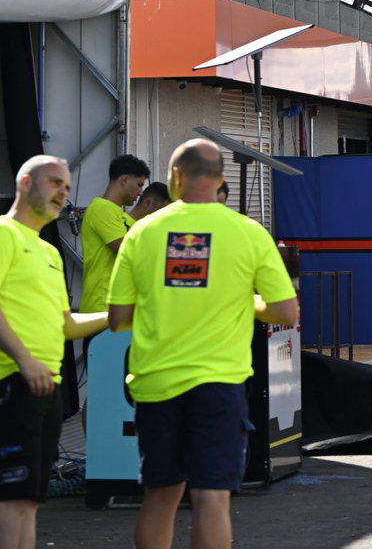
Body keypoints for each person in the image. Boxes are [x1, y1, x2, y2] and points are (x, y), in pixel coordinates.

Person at [109, 138, 299, 549]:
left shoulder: (142, 232)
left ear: (176, 176)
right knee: (212, 497)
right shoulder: (248, 232)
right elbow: (287, 313)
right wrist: (247, 302)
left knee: (160, 496)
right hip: (220, 384)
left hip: (157, 383)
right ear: (220, 178)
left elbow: (118, 318)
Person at [0, 156, 108, 549]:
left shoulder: (48, 252)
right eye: (54, 183)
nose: (63, 192)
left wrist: (118, 315)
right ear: (26, 183)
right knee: (14, 496)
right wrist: (24, 360)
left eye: (67, 186)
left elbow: (66, 324)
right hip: (9, 380)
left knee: (29, 500)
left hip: (45, 383)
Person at [80, 153, 149, 315]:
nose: (140, 192)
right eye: (139, 185)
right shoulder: (102, 209)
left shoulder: (117, 214)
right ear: (124, 180)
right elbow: (127, 249)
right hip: (101, 307)